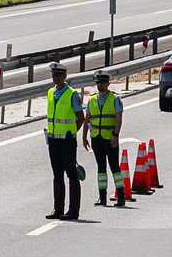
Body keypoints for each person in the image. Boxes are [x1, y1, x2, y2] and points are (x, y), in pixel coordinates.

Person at [81, 70, 129, 208]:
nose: (100, 85)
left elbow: (119, 119)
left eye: (103, 83)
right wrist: (84, 137)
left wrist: (115, 135)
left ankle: (121, 197)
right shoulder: (92, 100)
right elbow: (87, 119)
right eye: (98, 83)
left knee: (115, 167)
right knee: (101, 168)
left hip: (110, 138)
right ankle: (102, 198)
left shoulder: (115, 99)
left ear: (108, 83)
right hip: (96, 138)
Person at [43, 64, 84, 220]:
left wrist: (72, 132)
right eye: (54, 75)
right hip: (53, 141)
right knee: (57, 175)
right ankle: (58, 209)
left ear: (65, 76)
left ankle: (73, 210)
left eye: (59, 75)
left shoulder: (72, 94)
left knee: (72, 175)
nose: (56, 78)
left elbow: (80, 117)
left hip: (67, 141)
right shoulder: (50, 93)